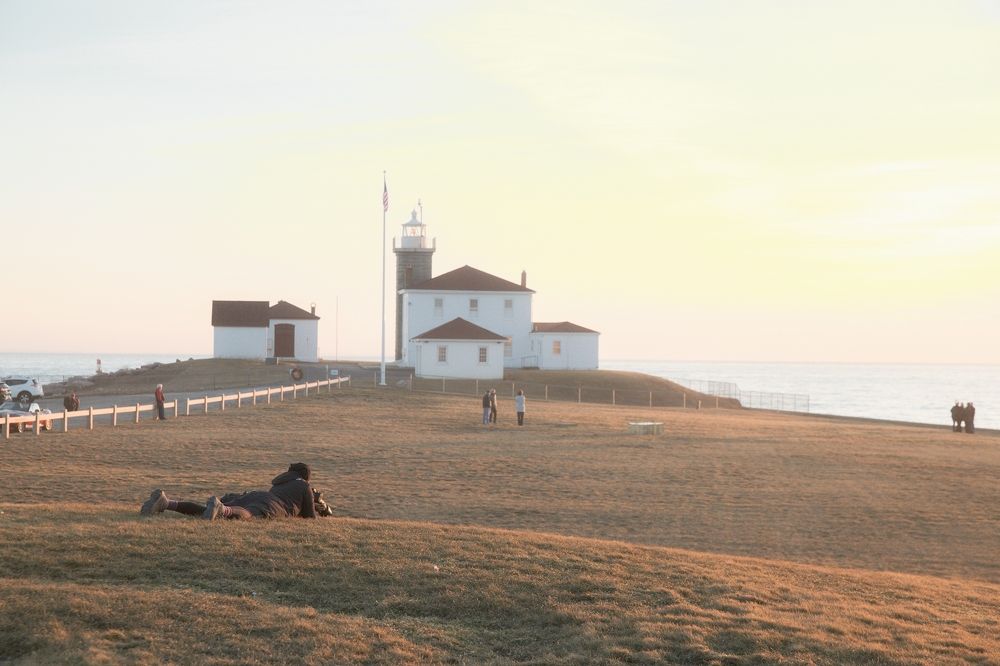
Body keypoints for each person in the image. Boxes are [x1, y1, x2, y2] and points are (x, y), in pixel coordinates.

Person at [140, 462, 317, 520]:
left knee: (208, 511)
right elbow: (310, 516)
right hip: (272, 505)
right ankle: (222, 509)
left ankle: (166, 502)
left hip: (256, 494)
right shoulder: (304, 485)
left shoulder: (280, 482)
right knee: (247, 513)